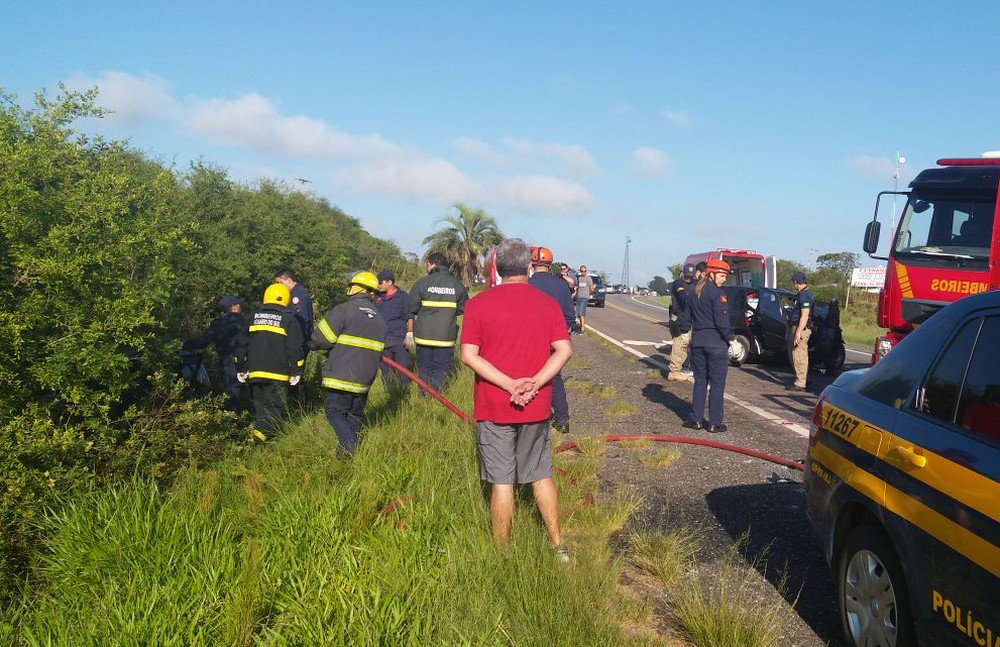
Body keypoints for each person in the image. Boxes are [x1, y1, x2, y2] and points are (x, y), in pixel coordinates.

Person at [460, 238, 573, 560]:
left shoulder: (478, 304)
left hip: (494, 405)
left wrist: (510, 385)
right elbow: (564, 350)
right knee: (540, 473)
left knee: (501, 481)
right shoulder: (546, 304)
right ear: (528, 267)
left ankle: (501, 554)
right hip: (536, 405)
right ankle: (557, 544)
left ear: (497, 267)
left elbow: (469, 356)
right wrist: (535, 382)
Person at [312, 271, 387, 453]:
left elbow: (320, 339)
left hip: (341, 377)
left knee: (334, 412)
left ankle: (351, 446)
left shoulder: (345, 310)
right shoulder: (380, 318)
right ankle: (346, 457)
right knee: (354, 416)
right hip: (364, 380)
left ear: (356, 288)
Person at [235, 283, 304, 441]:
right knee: (275, 409)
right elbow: (295, 349)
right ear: (285, 299)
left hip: (255, 373)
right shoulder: (289, 320)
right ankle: (256, 439)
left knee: (259, 408)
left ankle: (259, 440)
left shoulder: (252, 317)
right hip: (278, 374)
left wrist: (241, 367)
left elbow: (241, 345)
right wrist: (296, 371)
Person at [681, 260, 739, 433]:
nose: (724, 279)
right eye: (722, 276)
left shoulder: (694, 291)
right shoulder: (718, 293)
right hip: (716, 344)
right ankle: (714, 422)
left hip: (698, 343)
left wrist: (685, 332)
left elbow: (686, 317)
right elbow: (721, 321)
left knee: (700, 382)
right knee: (717, 384)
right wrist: (731, 339)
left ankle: (696, 420)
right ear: (711, 274)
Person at [528, 245, 576, 434]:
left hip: (531, 338)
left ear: (531, 264)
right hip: (557, 340)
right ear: (550, 264)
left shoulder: (527, 283)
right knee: (554, 377)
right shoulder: (561, 285)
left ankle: (536, 415)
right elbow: (570, 316)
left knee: (531, 374)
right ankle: (562, 419)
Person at [409, 252, 468, 394]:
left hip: (423, 337)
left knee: (424, 368)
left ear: (432, 264)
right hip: (446, 338)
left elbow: (412, 307)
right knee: (441, 369)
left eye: (427, 264)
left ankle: (424, 396)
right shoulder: (457, 285)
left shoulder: (422, 283)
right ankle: (436, 397)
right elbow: (463, 309)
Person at [186, 295, 246, 409]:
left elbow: (202, 342)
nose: (240, 306)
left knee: (232, 397)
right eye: (238, 304)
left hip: (228, 365)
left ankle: (233, 417)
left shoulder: (219, 324)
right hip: (249, 363)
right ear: (234, 307)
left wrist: (185, 345)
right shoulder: (247, 321)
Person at [374, 269, 415, 394]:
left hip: (399, 341)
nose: (378, 285)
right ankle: (389, 395)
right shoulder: (377, 297)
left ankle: (404, 394)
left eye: (381, 283)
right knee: (386, 372)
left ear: (390, 282)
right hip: (383, 341)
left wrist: (409, 334)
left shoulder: (403, 297)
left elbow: (410, 317)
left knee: (403, 370)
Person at [667, 264, 696, 381]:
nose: (689, 279)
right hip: (678, 318)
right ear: (683, 273)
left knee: (685, 345)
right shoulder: (678, 284)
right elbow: (684, 298)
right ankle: (674, 371)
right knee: (679, 343)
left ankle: (679, 369)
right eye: (687, 276)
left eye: (691, 276)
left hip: (688, 319)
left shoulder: (695, 283)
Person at [787, 271, 814, 392]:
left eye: (793, 282)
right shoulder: (802, 294)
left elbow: (804, 315)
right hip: (798, 327)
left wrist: (798, 332)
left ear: (796, 282)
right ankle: (804, 378)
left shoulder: (805, 296)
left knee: (799, 355)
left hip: (801, 328)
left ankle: (800, 383)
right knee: (796, 354)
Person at [575, 265, 595, 333]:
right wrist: (575, 295)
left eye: (584, 271)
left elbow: (591, 288)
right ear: (580, 271)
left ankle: (582, 329)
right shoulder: (579, 278)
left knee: (581, 313)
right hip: (578, 297)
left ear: (586, 271)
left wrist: (589, 294)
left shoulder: (588, 278)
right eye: (582, 271)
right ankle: (580, 326)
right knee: (578, 314)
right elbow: (578, 288)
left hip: (584, 298)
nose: (583, 272)